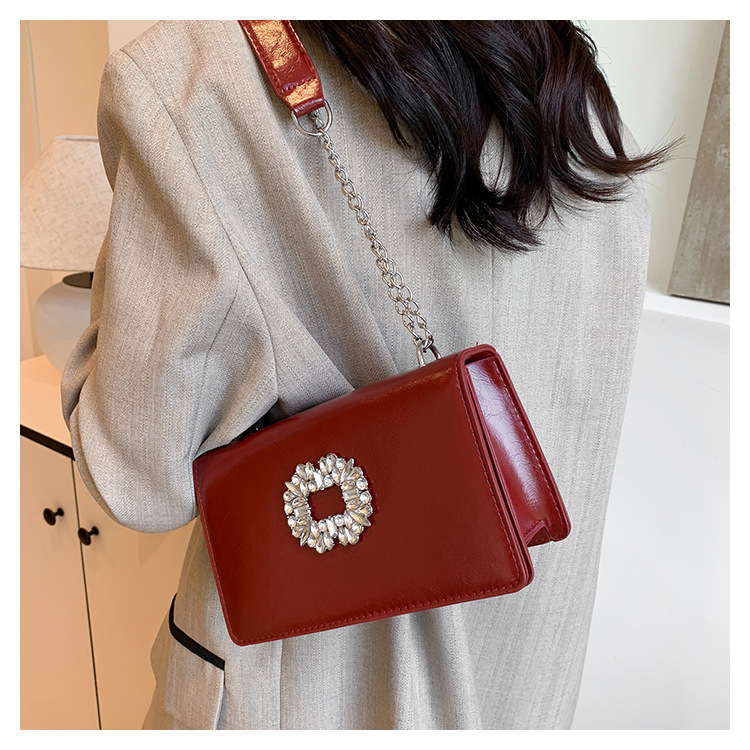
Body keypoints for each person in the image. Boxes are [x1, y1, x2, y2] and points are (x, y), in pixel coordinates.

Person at [62, 20, 671, 729]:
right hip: (528, 684)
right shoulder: (582, 100)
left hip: (312, 694)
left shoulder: (198, 78)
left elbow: (137, 479)